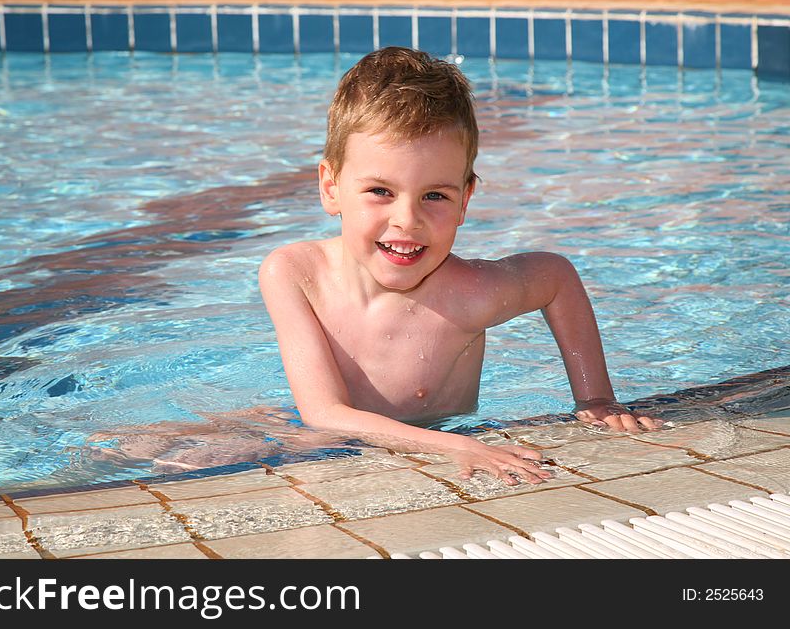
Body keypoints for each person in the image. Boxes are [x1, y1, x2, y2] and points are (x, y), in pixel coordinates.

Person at [258, 46, 661, 487]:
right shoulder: (296, 274)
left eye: (435, 196)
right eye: (380, 191)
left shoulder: (468, 295)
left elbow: (556, 277)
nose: (407, 221)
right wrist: (461, 448)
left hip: (437, 433)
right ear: (331, 188)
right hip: (313, 437)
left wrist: (598, 397)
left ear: (465, 200)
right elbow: (322, 415)